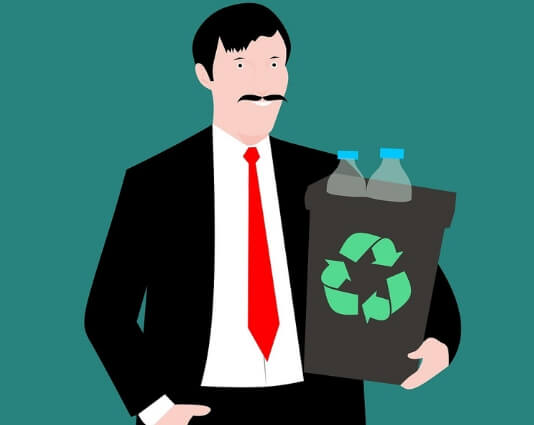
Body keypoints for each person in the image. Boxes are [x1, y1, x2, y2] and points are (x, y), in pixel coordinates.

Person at [84, 3, 461, 425]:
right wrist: (156, 408)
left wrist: (439, 339)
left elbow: (405, 261)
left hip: (318, 408)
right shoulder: (155, 182)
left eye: (274, 63)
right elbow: (107, 314)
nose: (262, 82)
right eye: (241, 63)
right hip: (198, 409)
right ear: (205, 75)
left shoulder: (331, 174)